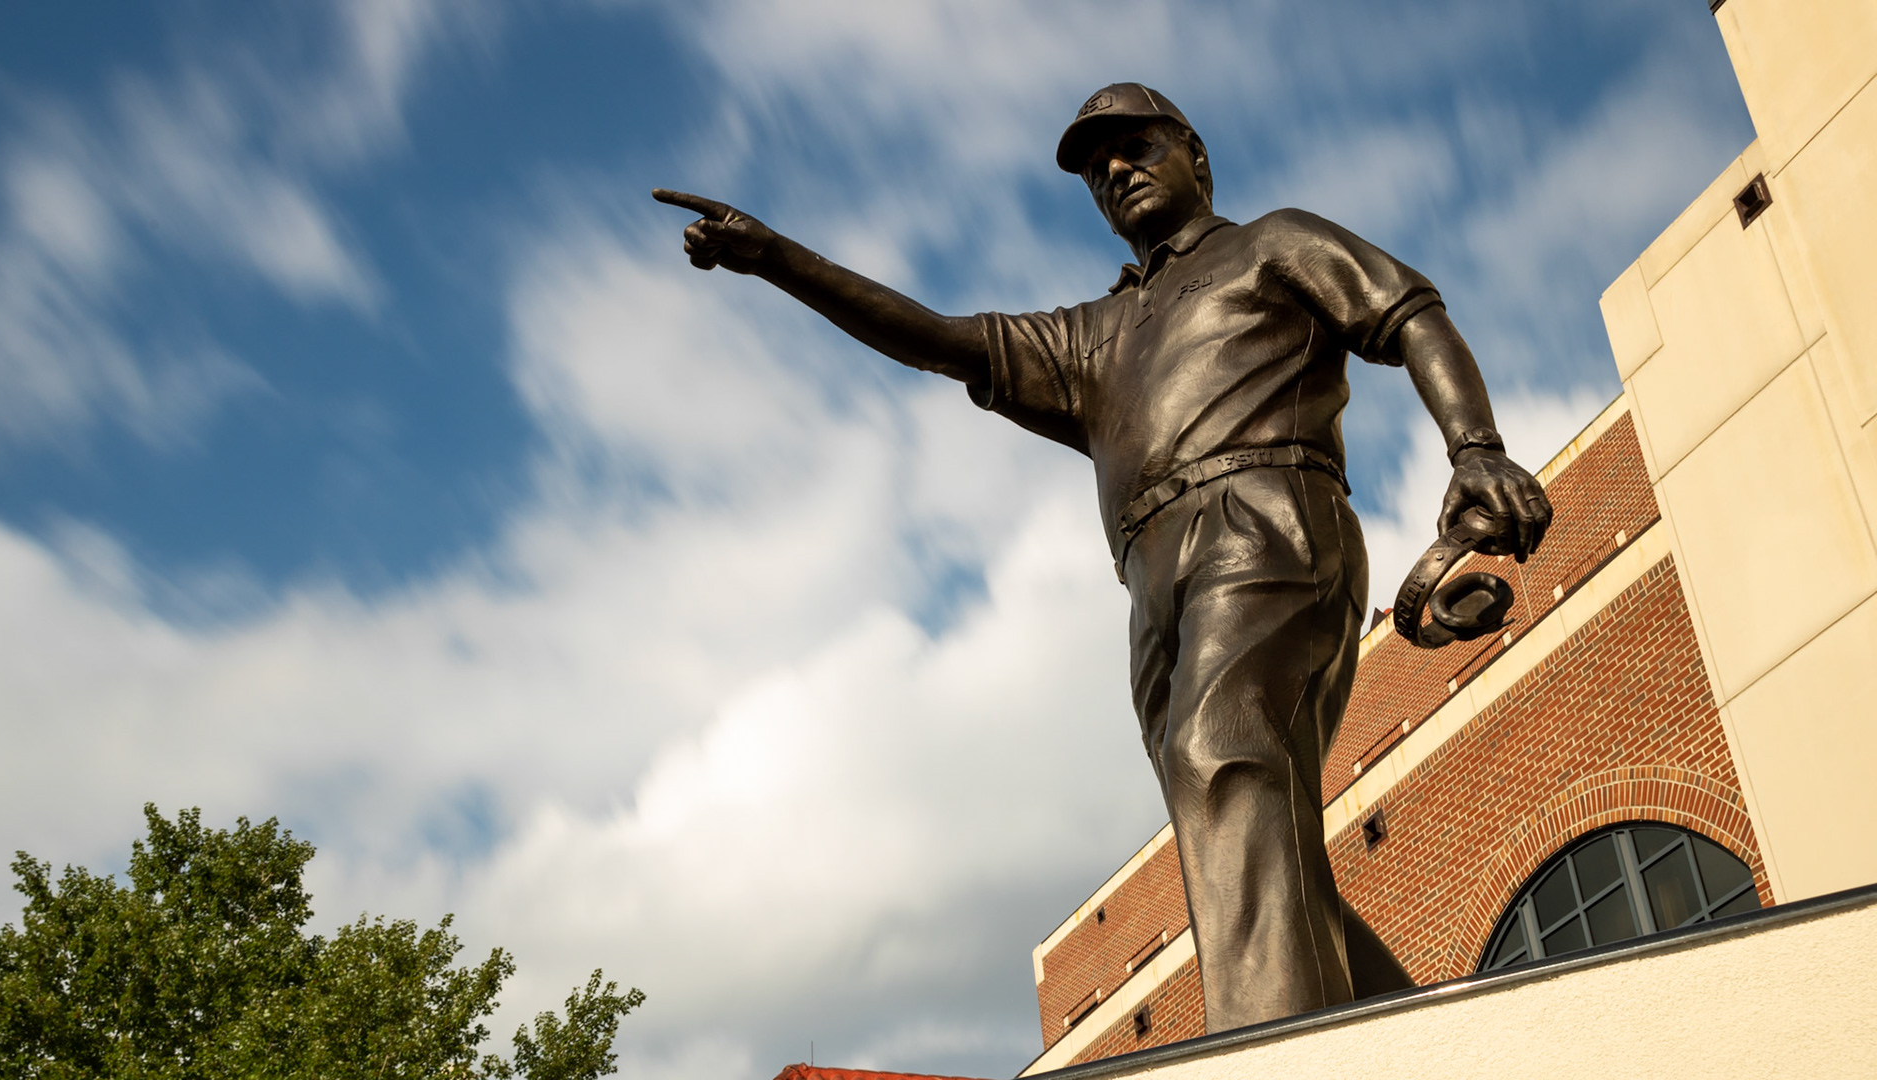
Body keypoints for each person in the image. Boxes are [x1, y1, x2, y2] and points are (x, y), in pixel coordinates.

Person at [654, 83, 1550, 1034]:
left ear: (1194, 155)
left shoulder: (1272, 244)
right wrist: (779, 261)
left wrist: (1475, 448)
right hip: (1152, 583)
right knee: (1247, 839)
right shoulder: (1091, 335)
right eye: (1094, 168)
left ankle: (1265, 1058)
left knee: (1224, 762)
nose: (1113, 171)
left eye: (1134, 147)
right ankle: (1427, 1044)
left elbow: (1408, 311)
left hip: (1269, 525)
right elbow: (941, 339)